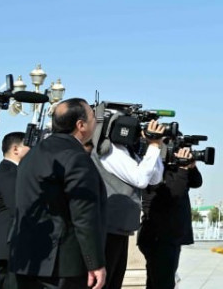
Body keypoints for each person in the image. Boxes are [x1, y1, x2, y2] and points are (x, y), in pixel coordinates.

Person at [11, 98, 107, 289]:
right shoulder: (76, 157)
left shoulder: (33, 154)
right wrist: (94, 262)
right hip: (61, 265)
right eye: (93, 117)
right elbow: (83, 215)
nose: (96, 122)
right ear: (81, 125)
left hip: (26, 259)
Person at [91, 114, 166, 289]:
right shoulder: (109, 151)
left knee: (115, 281)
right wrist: (154, 146)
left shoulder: (128, 152)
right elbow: (140, 179)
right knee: (105, 282)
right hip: (107, 228)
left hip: (121, 228)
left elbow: (154, 179)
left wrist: (155, 146)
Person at [137, 147, 202, 289]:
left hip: (169, 235)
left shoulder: (174, 169)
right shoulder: (155, 166)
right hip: (159, 235)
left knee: (159, 282)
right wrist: (183, 168)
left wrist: (191, 166)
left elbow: (196, 182)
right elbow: (175, 194)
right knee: (163, 283)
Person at [0, 132, 29, 289]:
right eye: (27, 145)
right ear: (16, 149)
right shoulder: (9, 173)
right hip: (5, 244)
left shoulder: (9, 171)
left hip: (5, 244)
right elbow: (18, 207)